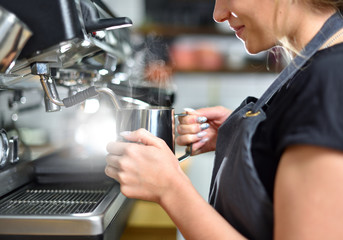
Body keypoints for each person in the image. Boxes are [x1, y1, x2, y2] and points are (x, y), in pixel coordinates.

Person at [105, 0, 343, 239]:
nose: (218, 14)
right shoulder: (317, 70)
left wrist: (170, 189)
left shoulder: (331, 78)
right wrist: (251, 141)